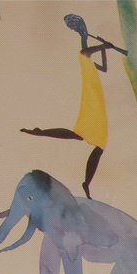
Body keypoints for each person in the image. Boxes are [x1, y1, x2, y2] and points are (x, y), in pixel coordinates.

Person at [20, 14, 127, 199]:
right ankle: (85, 181)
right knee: (95, 141)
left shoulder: (87, 57)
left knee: (84, 137)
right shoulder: (83, 55)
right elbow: (86, 50)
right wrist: (104, 46)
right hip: (92, 96)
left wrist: (105, 47)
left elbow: (104, 68)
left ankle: (42, 133)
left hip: (97, 95)